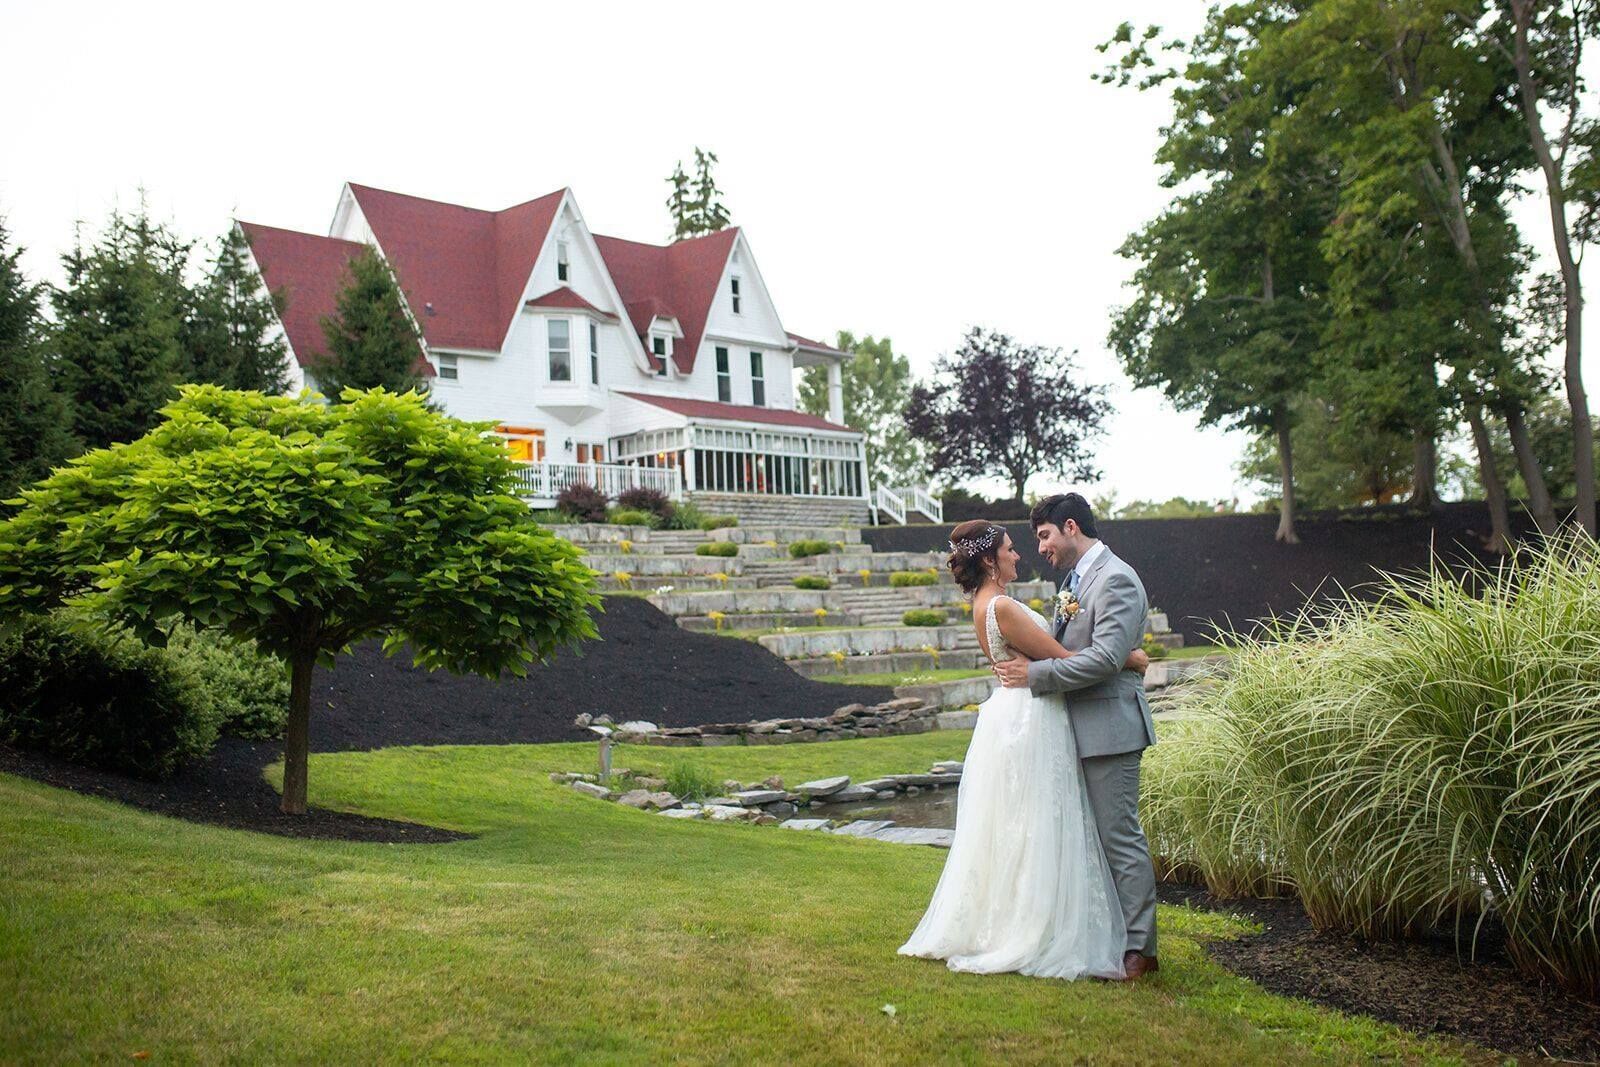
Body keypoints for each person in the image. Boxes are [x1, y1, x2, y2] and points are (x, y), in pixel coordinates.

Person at [898, 519, 1149, 981]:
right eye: (1011, 549)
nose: (1019, 555)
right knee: (1037, 824)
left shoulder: (984, 603)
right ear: (990, 559)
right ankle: (1036, 929)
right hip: (1029, 717)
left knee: (1020, 825)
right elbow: (1064, 659)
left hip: (1013, 713)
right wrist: (1128, 657)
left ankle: (1023, 920)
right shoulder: (1003, 607)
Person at [993, 494, 1161, 979]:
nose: (1041, 547)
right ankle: (1106, 938)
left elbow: (1106, 658)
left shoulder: (1117, 579)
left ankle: (1140, 952)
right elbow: (1090, 650)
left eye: (1044, 535)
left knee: (1119, 839)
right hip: (1075, 725)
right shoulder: (1073, 582)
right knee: (1090, 840)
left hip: (1110, 729)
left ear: (1070, 527)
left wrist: (1036, 674)